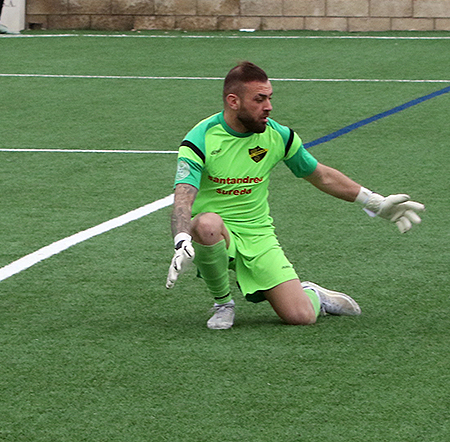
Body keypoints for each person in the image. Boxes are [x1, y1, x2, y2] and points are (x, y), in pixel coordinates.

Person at [165, 61, 425, 330]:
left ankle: (314, 295)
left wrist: (375, 203)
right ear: (233, 101)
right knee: (205, 224)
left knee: (300, 317)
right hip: (217, 231)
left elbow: (321, 175)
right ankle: (223, 304)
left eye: (269, 98)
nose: (268, 106)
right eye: (259, 99)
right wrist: (181, 238)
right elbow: (184, 196)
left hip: (258, 235)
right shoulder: (201, 138)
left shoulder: (279, 136)